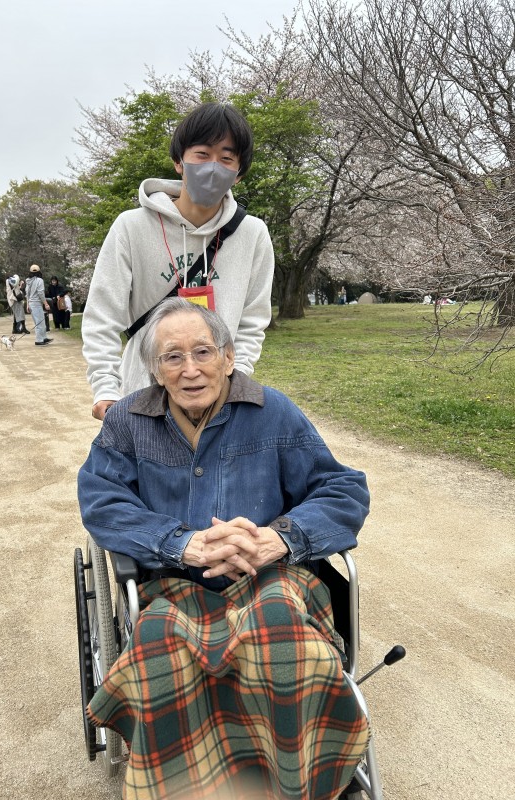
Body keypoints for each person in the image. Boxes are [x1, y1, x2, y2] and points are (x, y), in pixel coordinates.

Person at [78, 298, 370, 800]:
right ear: (155, 370)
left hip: (270, 578)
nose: (190, 369)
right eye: (173, 357)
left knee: (281, 648)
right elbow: (102, 501)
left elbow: (343, 490)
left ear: (228, 357)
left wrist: (279, 538)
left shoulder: (272, 412)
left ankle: (298, 783)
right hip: (172, 586)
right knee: (159, 660)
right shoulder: (126, 421)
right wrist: (182, 544)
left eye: (202, 352)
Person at [82, 101, 275, 421]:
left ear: (239, 174)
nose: (213, 167)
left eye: (226, 158)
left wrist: (233, 381)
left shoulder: (252, 234)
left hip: (218, 399)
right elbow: (102, 316)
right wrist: (105, 388)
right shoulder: (131, 227)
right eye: (202, 154)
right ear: (178, 162)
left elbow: (252, 321)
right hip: (142, 395)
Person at [25, 265, 53, 346]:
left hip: (31, 303)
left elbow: (27, 294)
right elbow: (41, 293)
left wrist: (27, 305)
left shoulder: (28, 281)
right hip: (36, 303)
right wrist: (46, 303)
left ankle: (44, 337)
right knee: (39, 322)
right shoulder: (39, 280)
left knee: (41, 322)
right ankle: (39, 340)